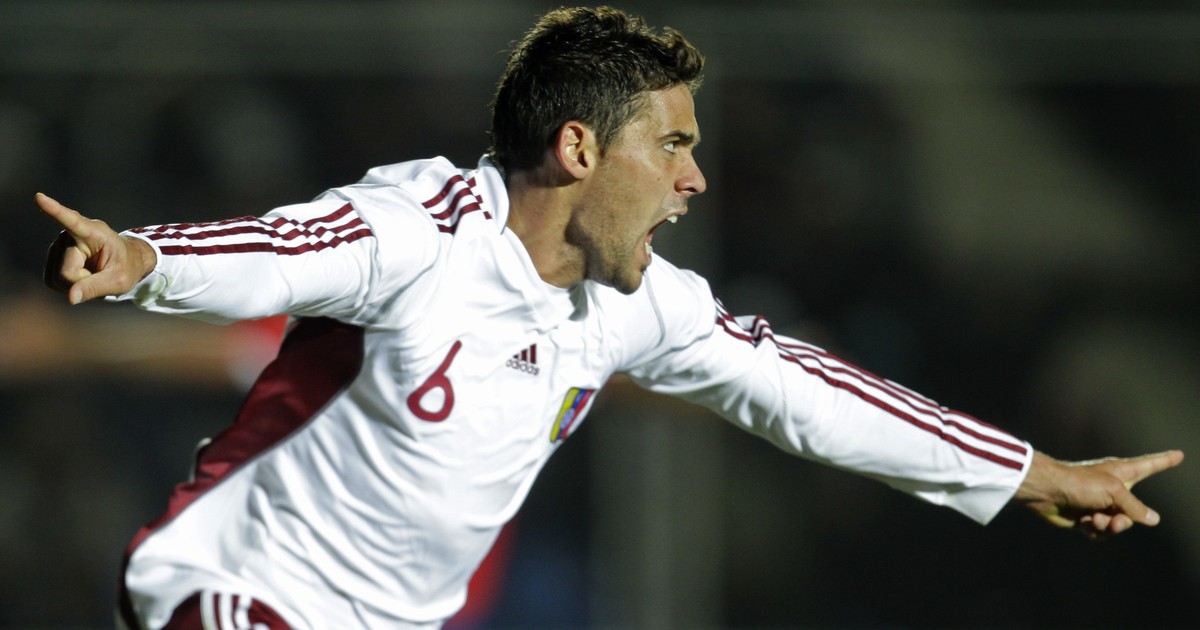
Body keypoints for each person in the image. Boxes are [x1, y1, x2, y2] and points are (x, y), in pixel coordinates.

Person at [38, 6, 1182, 630]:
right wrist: (140, 258)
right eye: (672, 144)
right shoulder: (422, 229)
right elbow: (281, 250)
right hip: (240, 588)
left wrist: (1032, 473)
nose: (694, 179)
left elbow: (807, 392)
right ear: (580, 148)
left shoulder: (642, 308)